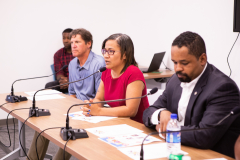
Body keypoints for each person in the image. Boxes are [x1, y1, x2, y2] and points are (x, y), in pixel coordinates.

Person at [142, 31, 240, 158]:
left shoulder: (223, 88)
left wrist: (167, 130)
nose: (177, 68)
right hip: (180, 149)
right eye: (175, 62)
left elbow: (204, 135)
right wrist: (161, 114)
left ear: (202, 59)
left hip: (209, 155)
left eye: (184, 63)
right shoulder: (175, 80)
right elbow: (148, 112)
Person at [27, 28, 105, 160]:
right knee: (43, 126)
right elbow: (73, 93)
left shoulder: (99, 64)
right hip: (77, 107)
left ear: (88, 44)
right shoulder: (72, 63)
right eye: (72, 41)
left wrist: (81, 108)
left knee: (69, 133)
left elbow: (100, 99)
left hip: (92, 110)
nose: (73, 45)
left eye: (77, 42)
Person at [81, 33, 149, 124]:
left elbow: (131, 111)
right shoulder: (106, 71)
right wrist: (91, 106)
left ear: (125, 54)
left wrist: (99, 111)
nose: (105, 55)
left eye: (111, 51)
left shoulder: (134, 73)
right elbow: (99, 99)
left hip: (137, 126)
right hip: (116, 122)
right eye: (104, 51)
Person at [45, 28, 74, 93]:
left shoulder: (78, 53)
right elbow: (59, 73)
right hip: (64, 83)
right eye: (64, 38)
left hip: (77, 82)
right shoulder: (58, 54)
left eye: (68, 38)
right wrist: (64, 81)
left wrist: (70, 81)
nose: (65, 41)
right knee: (49, 85)